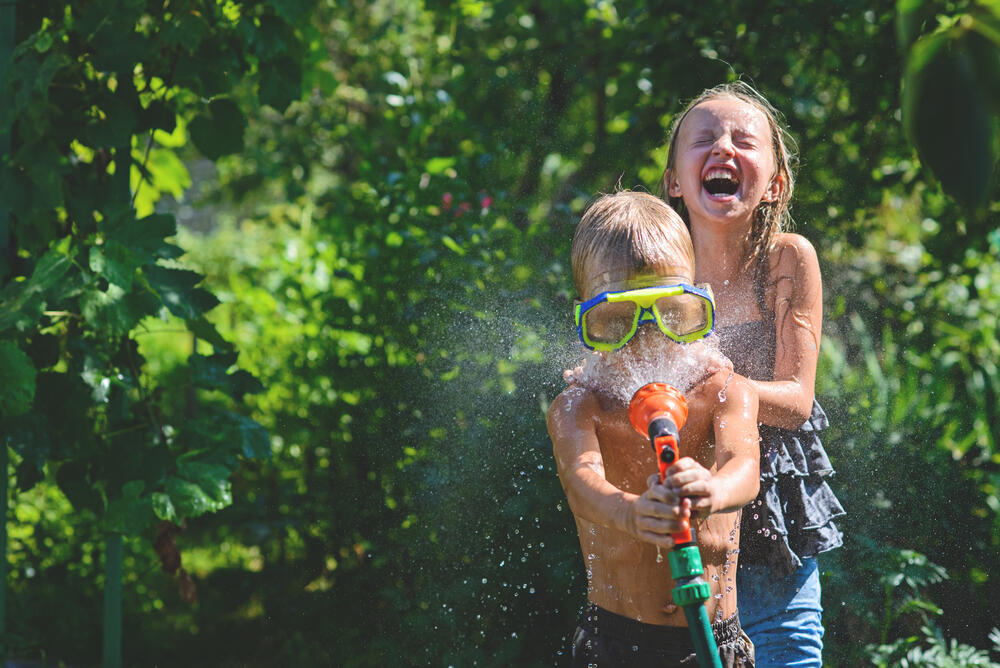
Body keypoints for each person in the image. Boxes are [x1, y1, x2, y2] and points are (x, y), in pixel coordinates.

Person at [660, 81, 845, 667]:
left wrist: (720, 390)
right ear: (672, 181)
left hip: (772, 548)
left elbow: (796, 400)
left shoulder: (787, 260)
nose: (723, 149)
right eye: (704, 140)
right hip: (688, 546)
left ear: (776, 182)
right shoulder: (657, 275)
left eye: (744, 141)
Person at [547, 190, 759, 666]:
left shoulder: (723, 390)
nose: (648, 337)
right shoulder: (581, 405)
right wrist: (629, 513)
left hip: (716, 639)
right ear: (586, 317)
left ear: (695, 303)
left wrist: (714, 489)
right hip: (617, 643)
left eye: (670, 314)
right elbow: (582, 485)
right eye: (618, 321)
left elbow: (744, 467)